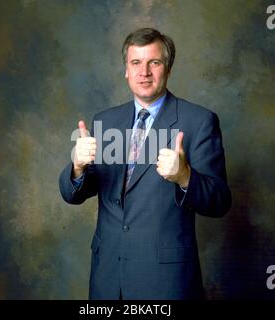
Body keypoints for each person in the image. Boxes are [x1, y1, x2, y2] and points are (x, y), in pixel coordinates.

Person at [59, 28, 232, 300]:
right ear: (126, 70)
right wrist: (78, 167)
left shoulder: (199, 121)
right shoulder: (105, 121)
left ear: (168, 68)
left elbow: (220, 201)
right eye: (136, 63)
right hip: (107, 278)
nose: (145, 72)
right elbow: (73, 194)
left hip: (165, 281)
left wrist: (185, 177)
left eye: (155, 62)